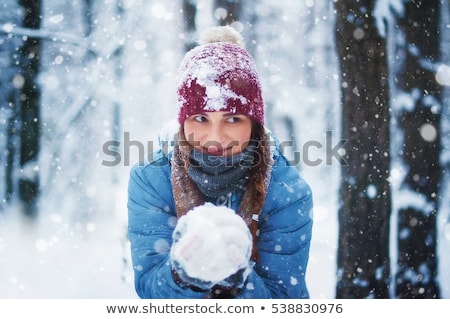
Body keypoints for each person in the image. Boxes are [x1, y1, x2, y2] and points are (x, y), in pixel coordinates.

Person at [127, 25, 313, 299]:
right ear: (183, 121)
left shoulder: (287, 191)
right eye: (201, 118)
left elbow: (285, 301)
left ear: (255, 124)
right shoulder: (151, 179)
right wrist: (184, 274)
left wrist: (235, 278)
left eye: (233, 119)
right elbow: (149, 291)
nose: (215, 137)